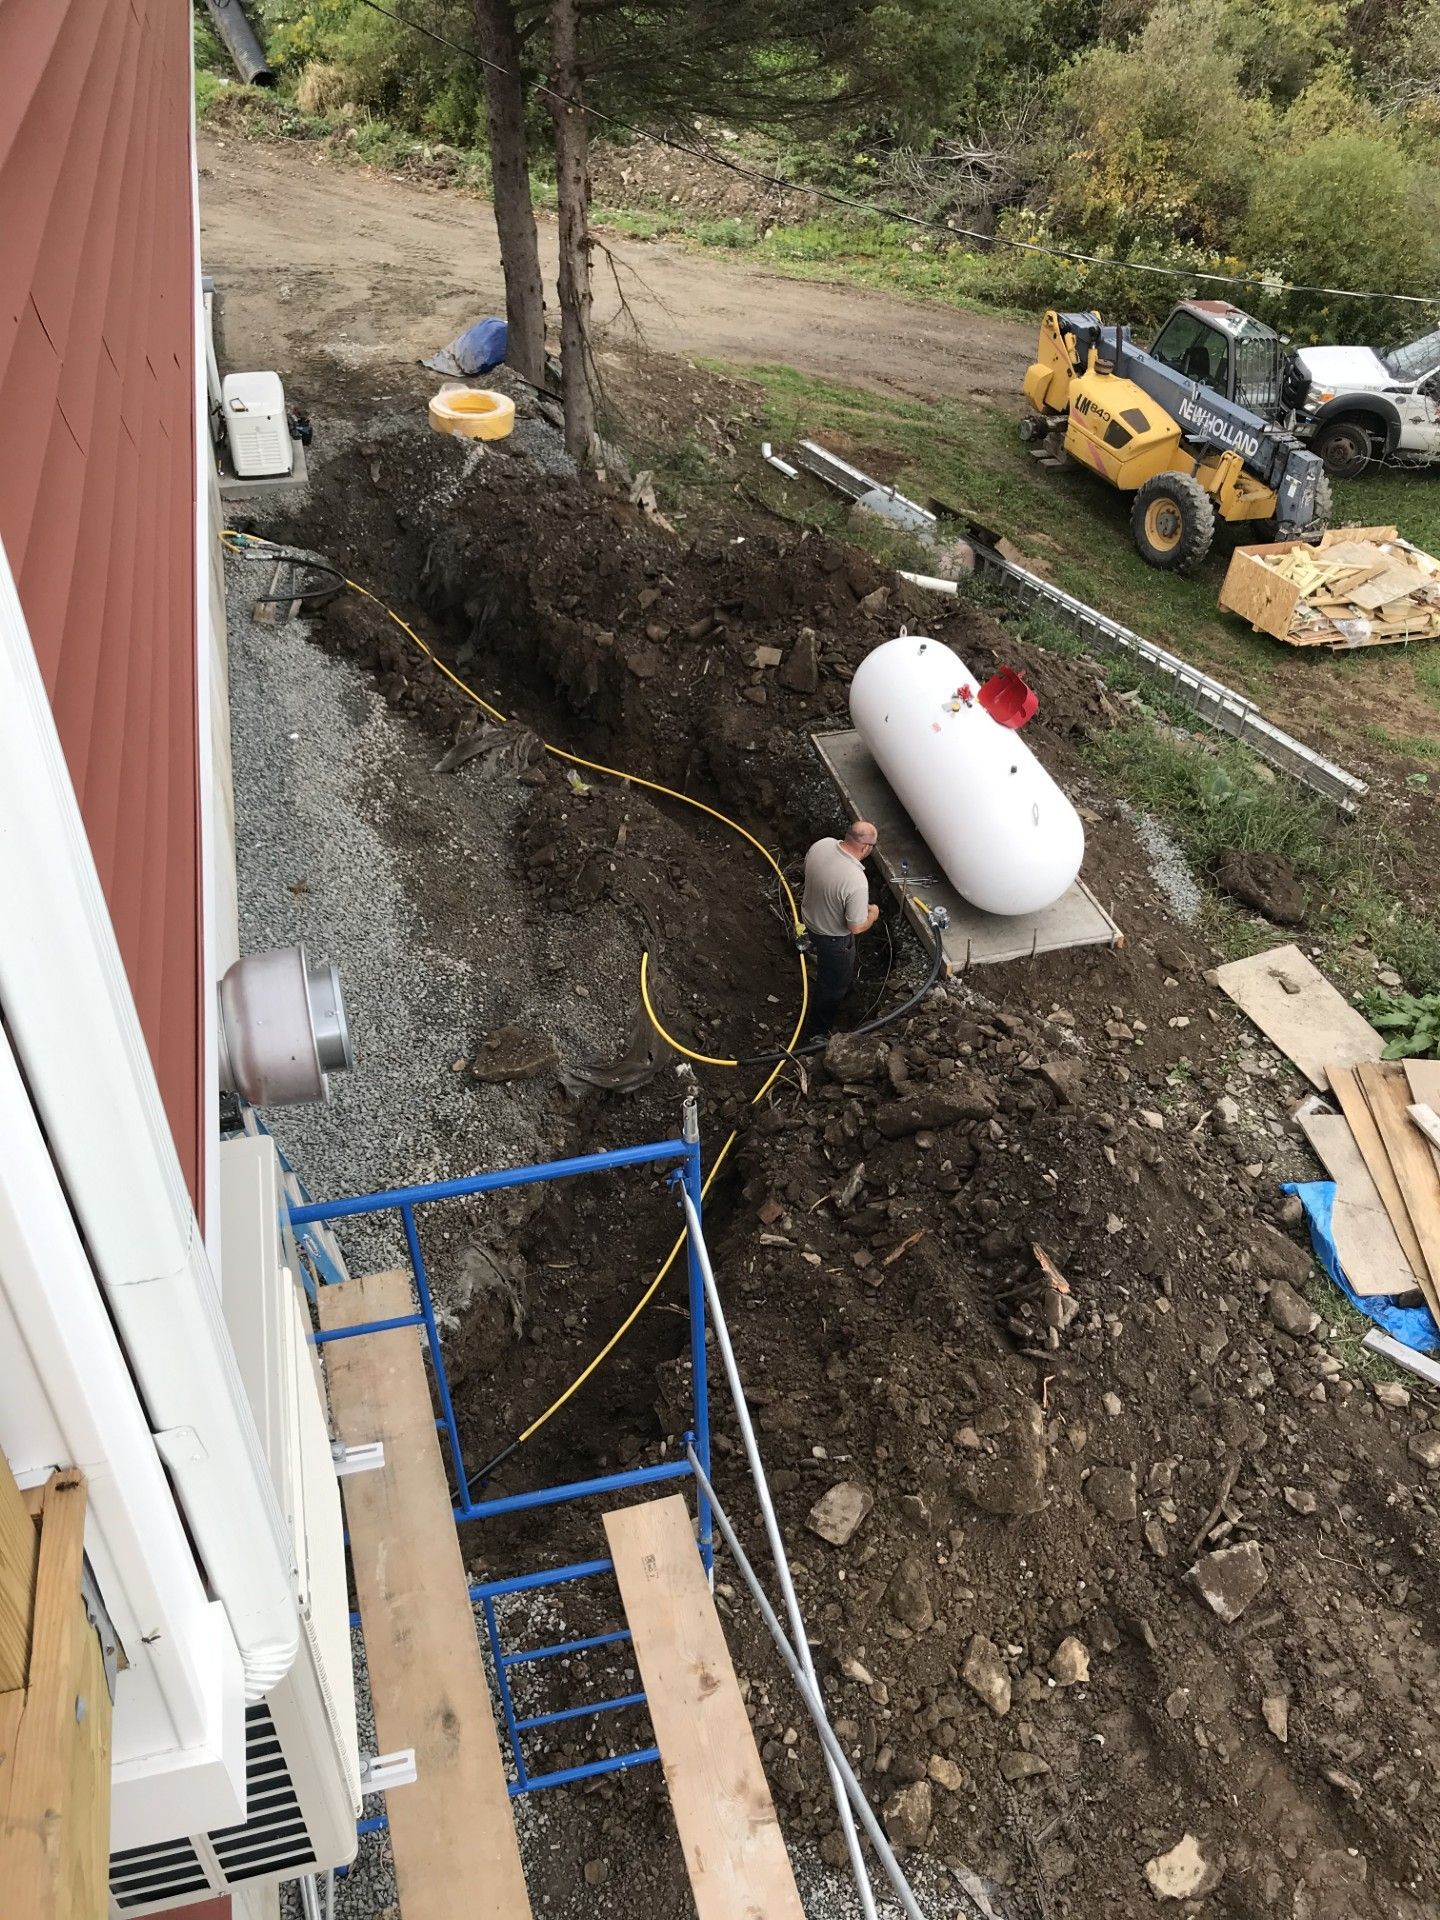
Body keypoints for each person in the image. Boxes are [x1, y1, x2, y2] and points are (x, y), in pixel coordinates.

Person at [801, 820, 879, 1039]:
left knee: (828, 966)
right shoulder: (856, 881)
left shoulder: (822, 844)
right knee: (832, 986)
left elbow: (806, 870)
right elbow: (855, 927)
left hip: (809, 921)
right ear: (865, 848)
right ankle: (817, 1032)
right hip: (833, 939)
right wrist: (872, 914)